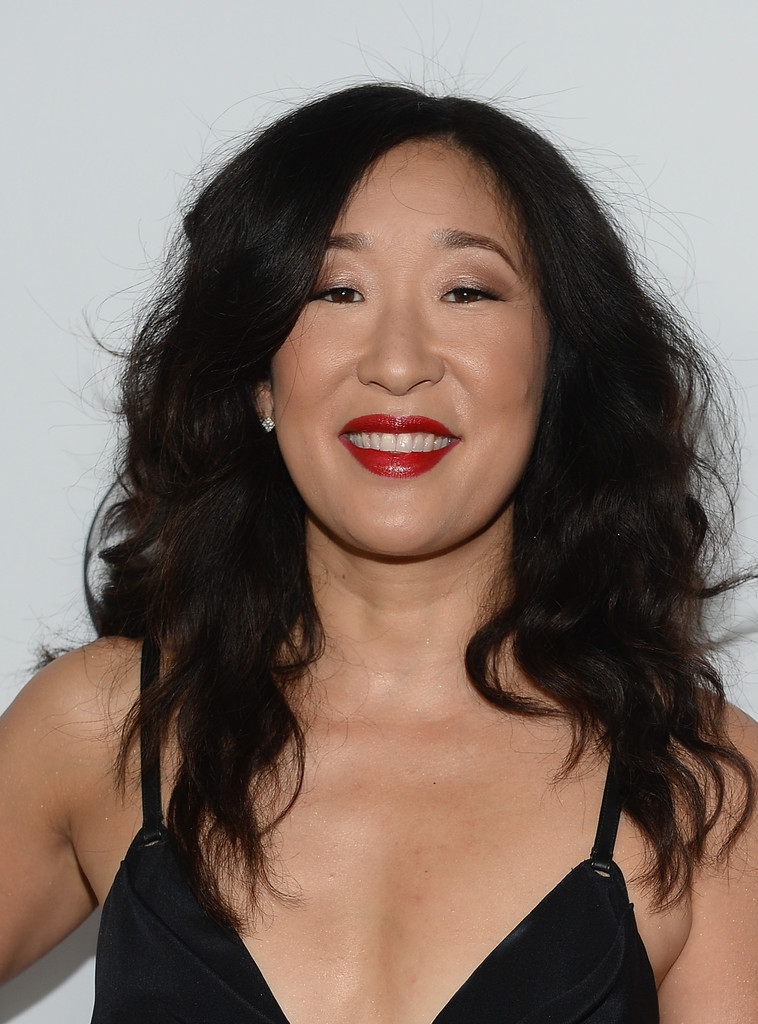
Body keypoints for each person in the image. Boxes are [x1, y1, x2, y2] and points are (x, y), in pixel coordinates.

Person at [1, 82, 757, 1024]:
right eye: (337, 291)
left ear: (556, 367)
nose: (398, 363)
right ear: (259, 377)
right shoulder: (103, 730)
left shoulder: (701, 784)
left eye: (467, 292)